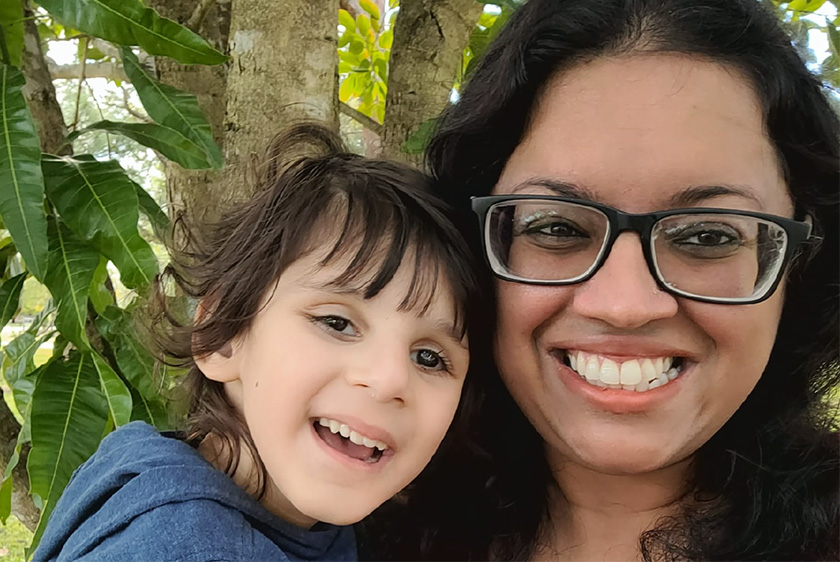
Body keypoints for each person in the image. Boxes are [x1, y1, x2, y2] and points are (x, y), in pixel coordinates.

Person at [359, 0, 839, 560]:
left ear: (798, 261)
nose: (625, 305)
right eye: (556, 227)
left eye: (708, 236)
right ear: (471, 246)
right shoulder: (345, 524)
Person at [30, 123, 483, 561]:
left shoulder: (154, 468)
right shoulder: (188, 547)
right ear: (223, 336)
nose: (389, 379)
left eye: (429, 357)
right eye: (337, 323)